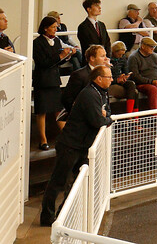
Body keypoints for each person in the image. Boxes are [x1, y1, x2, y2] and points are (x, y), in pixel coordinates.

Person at [40, 65, 113, 227]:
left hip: (81, 146)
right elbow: (98, 121)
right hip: (70, 145)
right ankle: (47, 217)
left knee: (75, 182)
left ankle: (63, 215)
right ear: (99, 79)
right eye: (109, 77)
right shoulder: (89, 94)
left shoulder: (101, 93)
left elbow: (107, 111)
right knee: (58, 182)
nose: (112, 79)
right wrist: (108, 119)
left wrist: (106, 116)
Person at [32, 16, 76, 151]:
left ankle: (66, 135)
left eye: (57, 27)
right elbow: (43, 62)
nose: (56, 29)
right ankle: (43, 139)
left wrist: (67, 56)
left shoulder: (56, 41)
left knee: (58, 109)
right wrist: (61, 56)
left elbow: (57, 62)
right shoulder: (37, 43)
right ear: (45, 28)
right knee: (42, 111)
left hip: (54, 79)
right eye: (53, 27)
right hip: (43, 80)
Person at [59, 45, 109, 129]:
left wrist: (107, 113)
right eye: (102, 56)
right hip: (82, 123)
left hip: (101, 120)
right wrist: (80, 114)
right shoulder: (79, 75)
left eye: (105, 55)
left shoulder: (106, 74)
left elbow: (106, 99)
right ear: (92, 58)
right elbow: (67, 99)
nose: (105, 59)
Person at [105, 42, 140, 114]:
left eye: (122, 54)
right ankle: (130, 116)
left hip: (120, 80)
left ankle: (133, 116)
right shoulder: (108, 60)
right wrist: (117, 80)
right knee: (134, 93)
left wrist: (125, 76)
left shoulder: (123, 58)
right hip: (111, 82)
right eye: (119, 54)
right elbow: (106, 76)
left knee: (131, 84)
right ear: (114, 52)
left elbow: (126, 70)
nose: (121, 56)